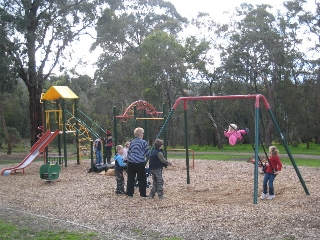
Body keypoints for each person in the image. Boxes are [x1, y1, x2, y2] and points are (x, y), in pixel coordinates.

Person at [126, 127, 150, 198]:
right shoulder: (143, 142)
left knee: (130, 178)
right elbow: (147, 152)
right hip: (139, 162)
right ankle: (143, 194)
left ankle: (129, 194)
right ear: (141, 134)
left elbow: (129, 152)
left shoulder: (132, 142)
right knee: (142, 178)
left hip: (130, 162)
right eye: (143, 133)